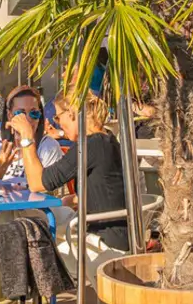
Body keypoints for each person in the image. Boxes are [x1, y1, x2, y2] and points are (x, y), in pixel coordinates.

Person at [11, 91, 130, 251]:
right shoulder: (106, 139)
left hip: (103, 244)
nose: (58, 124)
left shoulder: (90, 145)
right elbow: (106, 188)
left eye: (58, 117)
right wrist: (75, 199)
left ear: (72, 114)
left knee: (31, 243)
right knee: (17, 215)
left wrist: (26, 136)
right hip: (110, 232)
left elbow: (37, 183)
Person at [0, 85, 60, 178]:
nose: (27, 119)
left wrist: (27, 137)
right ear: (9, 114)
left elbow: (43, 188)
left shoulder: (49, 147)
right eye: (20, 113)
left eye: (34, 113)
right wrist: (0, 168)